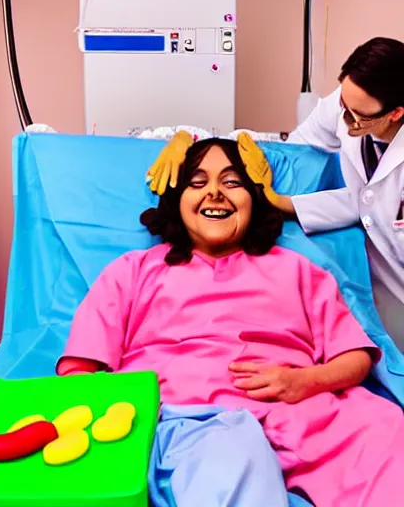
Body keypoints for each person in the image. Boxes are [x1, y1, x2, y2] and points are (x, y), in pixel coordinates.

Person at [57, 138, 404, 507]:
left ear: (255, 198)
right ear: (177, 200)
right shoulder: (133, 272)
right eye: (197, 182)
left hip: (301, 411)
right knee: (236, 449)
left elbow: (355, 357)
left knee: (385, 428)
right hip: (190, 417)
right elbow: (82, 370)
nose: (215, 193)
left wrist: (302, 381)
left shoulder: (299, 271)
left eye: (232, 182)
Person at [146, 37, 404, 351]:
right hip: (375, 289)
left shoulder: (299, 272)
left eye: (357, 118)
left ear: (394, 113)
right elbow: (285, 150)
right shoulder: (137, 273)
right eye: (342, 107)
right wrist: (185, 136)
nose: (345, 120)